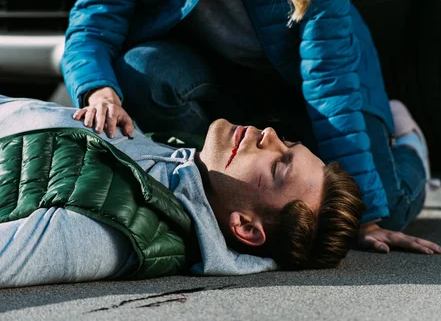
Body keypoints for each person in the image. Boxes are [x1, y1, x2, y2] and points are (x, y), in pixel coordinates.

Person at [61, 0, 441, 252]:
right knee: (141, 73)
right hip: (211, 78)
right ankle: (216, 196)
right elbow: (94, 21)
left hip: (305, 83)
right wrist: (99, 89)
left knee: (369, 209)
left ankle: (409, 142)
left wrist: (368, 220)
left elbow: (329, 73)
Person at [0, 95, 368, 288]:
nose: (269, 135)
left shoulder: (118, 232)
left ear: (245, 227)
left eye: (278, 165)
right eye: (286, 141)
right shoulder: (191, 170)